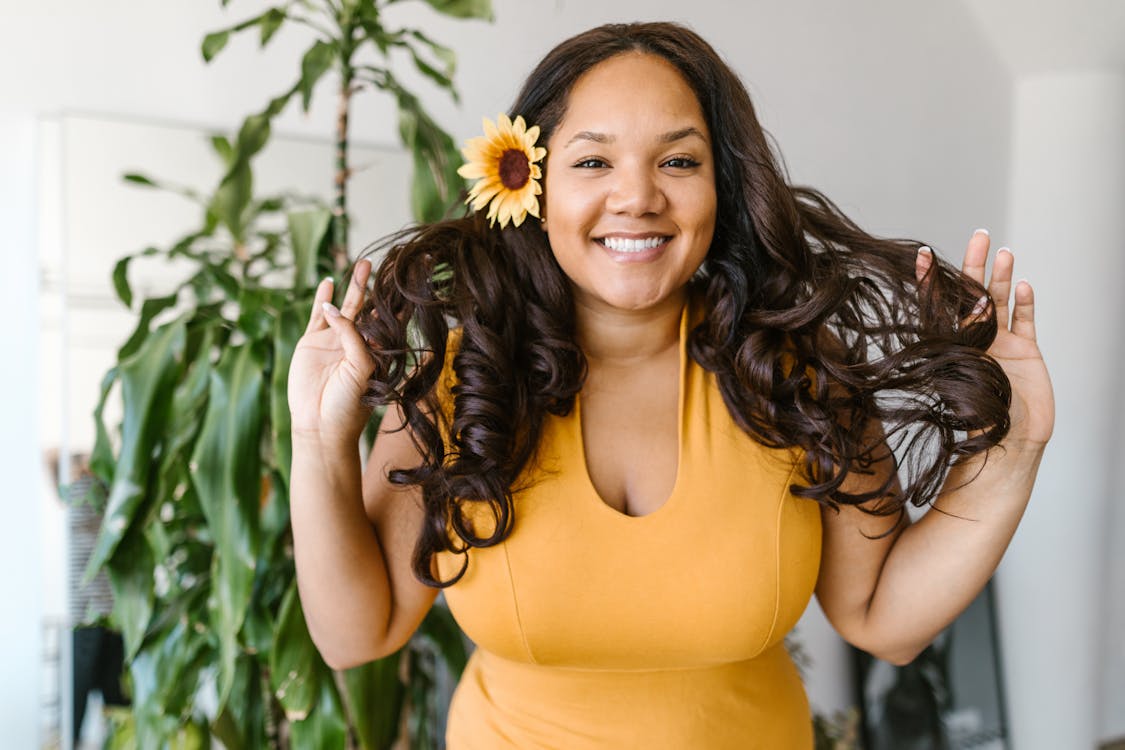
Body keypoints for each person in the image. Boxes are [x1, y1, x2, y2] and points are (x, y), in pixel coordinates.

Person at [286, 22, 1053, 749]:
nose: (637, 197)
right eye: (592, 161)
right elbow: (359, 635)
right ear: (528, 186)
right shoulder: (464, 381)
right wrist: (319, 440)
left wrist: (1014, 448)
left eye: (678, 161)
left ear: (724, 187)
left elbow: (884, 618)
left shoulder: (794, 372)